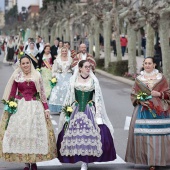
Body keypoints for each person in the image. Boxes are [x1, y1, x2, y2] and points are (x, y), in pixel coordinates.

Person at [57, 60, 116, 170]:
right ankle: (77, 158)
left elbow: (98, 98)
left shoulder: (93, 80)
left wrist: (98, 114)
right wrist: (67, 111)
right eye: (86, 67)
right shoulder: (73, 79)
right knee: (76, 136)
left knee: (88, 135)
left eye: (90, 67)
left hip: (89, 109)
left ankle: (85, 161)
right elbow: (69, 96)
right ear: (80, 68)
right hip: (76, 108)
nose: (88, 68)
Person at [0, 56, 57, 170]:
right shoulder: (17, 76)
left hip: (35, 106)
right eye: (23, 63)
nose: (25, 65)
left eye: (27, 63)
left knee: (34, 134)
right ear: (20, 65)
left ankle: (34, 161)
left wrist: (46, 109)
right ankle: (26, 162)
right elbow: (12, 92)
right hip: (21, 107)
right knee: (23, 134)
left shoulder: (37, 76)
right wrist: (10, 107)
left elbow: (42, 93)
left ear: (30, 63)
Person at [125, 57, 170, 170]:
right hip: (143, 110)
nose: (147, 65)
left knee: (159, 135)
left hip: (159, 110)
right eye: (145, 63)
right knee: (146, 136)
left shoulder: (161, 78)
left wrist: (159, 94)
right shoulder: (139, 79)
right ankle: (150, 161)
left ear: (154, 65)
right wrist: (140, 100)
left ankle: (160, 159)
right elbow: (133, 94)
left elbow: (168, 92)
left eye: (150, 63)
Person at [49, 47, 72, 114]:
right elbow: (54, 69)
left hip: (68, 77)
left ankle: (67, 107)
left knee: (67, 92)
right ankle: (59, 108)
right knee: (58, 92)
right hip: (59, 77)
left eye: (65, 51)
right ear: (60, 52)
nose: (64, 52)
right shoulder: (57, 60)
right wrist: (53, 78)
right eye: (63, 51)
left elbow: (73, 68)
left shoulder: (70, 59)